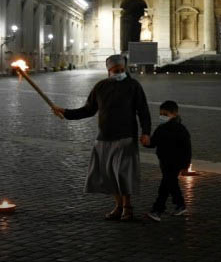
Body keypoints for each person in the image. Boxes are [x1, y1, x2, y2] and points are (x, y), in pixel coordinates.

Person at [52, 55, 151, 221]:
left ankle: (128, 207)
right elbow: (88, 110)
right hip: (104, 136)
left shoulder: (133, 86)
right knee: (109, 174)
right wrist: (65, 112)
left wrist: (146, 132)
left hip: (126, 136)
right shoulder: (100, 86)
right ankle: (118, 206)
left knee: (123, 174)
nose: (119, 73)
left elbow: (143, 111)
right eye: (115, 70)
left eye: (121, 70)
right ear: (109, 71)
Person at [145, 101, 192, 222]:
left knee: (166, 184)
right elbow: (154, 142)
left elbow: (187, 148)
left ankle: (158, 210)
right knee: (169, 183)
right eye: (161, 114)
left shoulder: (178, 129)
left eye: (165, 114)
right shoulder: (165, 128)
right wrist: (147, 142)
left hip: (174, 162)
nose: (162, 116)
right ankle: (179, 205)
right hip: (166, 161)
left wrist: (186, 165)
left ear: (174, 113)